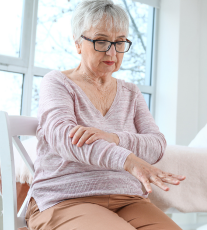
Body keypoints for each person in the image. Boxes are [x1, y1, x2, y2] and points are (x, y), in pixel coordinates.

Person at [24, 0, 186, 229]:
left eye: (120, 42)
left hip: (128, 198)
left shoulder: (131, 92)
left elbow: (157, 145)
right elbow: (64, 138)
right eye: (101, 41)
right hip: (66, 199)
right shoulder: (58, 83)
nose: (112, 52)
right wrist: (128, 160)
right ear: (78, 43)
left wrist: (114, 138)